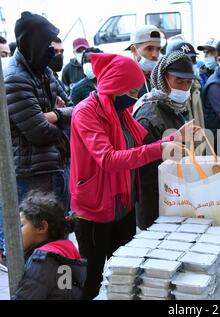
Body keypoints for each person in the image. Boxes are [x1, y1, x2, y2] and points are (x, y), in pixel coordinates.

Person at [70, 52, 190, 299]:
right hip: (94, 209)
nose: (135, 98)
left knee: (124, 273)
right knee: (91, 281)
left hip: (123, 202)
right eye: (132, 92)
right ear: (115, 87)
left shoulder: (120, 111)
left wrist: (174, 138)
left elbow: (141, 144)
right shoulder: (86, 113)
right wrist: (160, 148)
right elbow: (108, 159)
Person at [4, 12, 72, 212]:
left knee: (58, 239)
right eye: (47, 43)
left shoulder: (44, 71)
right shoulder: (15, 79)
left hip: (56, 166)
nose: (51, 50)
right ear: (33, 43)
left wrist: (55, 115)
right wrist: (64, 122)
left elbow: (75, 107)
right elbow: (40, 133)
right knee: (39, 240)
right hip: (32, 177)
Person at [133, 51, 196, 230]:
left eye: (188, 82)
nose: (184, 88)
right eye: (179, 81)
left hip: (175, 195)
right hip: (156, 201)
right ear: (163, 78)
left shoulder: (171, 107)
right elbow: (144, 170)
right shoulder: (148, 115)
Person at [12, 191, 86, 300]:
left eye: (21, 225)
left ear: (42, 227)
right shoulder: (65, 251)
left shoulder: (42, 261)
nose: (14, 232)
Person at [166, 40, 205, 129]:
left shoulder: (196, 85)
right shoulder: (169, 93)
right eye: (184, 61)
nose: (189, 65)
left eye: (193, 60)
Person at [126, 25, 162, 98]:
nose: (155, 55)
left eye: (158, 49)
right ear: (134, 50)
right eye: (149, 49)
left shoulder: (158, 75)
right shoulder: (125, 78)